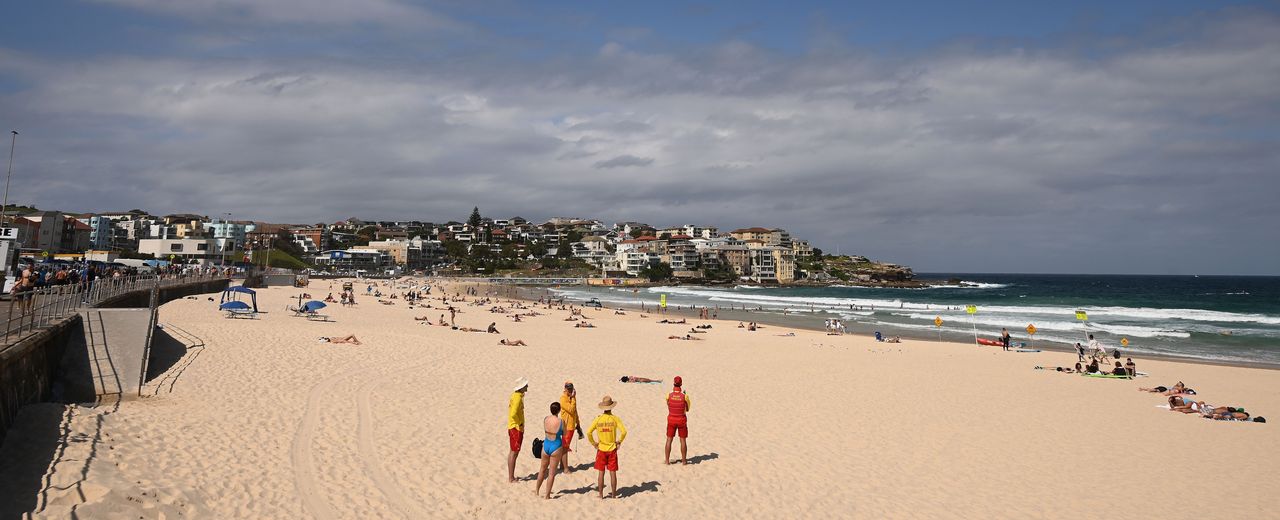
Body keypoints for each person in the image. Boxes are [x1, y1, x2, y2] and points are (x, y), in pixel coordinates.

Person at [587, 395, 627, 499]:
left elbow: (588, 432)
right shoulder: (615, 419)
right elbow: (624, 431)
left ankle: (600, 494)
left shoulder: (598, 419)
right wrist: (619, 442)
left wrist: (594, 443)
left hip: (601, 449)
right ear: (611, 407)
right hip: (612, 448)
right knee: (612, 473)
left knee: (601, 473)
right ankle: (614, 495)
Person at [534, 402, 565, 499]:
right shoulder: (561, 421)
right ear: (559, 410)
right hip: (556, 446)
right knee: (551, 473)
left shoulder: (546, 419)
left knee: (542, 470)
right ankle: (547, 495)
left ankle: (537, 490)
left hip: (546, 445)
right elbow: (565, 433)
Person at [558, 381, 584, 474]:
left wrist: (578, 423)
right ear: (565, 389)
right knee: (565, 447)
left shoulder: (571, 398)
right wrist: (573, 398)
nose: (570, 390)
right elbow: (571, 410)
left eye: (571, 389)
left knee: (564, 446)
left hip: (571, 426)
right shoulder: (563, 398)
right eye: (569, 389)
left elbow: (575, 412)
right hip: (567, 427)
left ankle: (562, 466)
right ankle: (565, 468)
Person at [664, 376, 692, 465]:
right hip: (681, 420)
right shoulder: (685, 396)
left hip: (671, 419)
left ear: (673, 383)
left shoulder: (668, 395)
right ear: (681, 384)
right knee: (683, 440)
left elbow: (668, 404)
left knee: (669, 440)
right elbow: (687, 409)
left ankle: (667, 461)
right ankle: (684, 461)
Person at [507, 378, 528, 483]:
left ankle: (511, 476)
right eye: (525, 385)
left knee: (513, 451)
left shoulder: (516, 395)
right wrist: (519, 423)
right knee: (514, 452)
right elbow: (513, 413)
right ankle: (511, 477)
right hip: (516, 428)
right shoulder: (517, 398)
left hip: (513, 427)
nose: (527, 386)